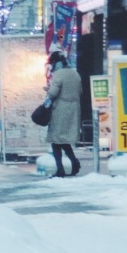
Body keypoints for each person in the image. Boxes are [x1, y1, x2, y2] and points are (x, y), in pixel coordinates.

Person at [45, 49, 83, 177]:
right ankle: (74, 162)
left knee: (56, 140)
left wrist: (48, 90)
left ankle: (60, 169)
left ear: (55, 62)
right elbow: (80, 91)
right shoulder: (75, 73)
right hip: (73, 109)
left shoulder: (58, 74)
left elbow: (53, 93)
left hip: (60, 109)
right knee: (63, 139)